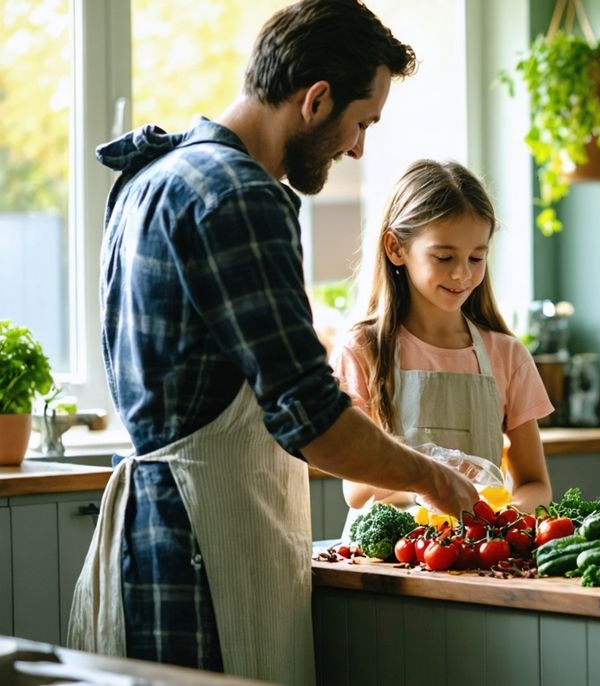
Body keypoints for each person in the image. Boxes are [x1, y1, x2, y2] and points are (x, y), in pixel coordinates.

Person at [67, 2, 479, 683]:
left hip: (149, 540)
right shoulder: (240, 196)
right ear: (316, 100)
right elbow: (311, 418)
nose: (357, 149)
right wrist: (434, 478)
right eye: (361, 123)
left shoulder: (153, 175)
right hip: (206, 548)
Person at [332, 159, 554, 532]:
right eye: (444, 257)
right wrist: (433, 473)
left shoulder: (506, 355)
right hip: (389, 562)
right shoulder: (363, 350)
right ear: (395, 248)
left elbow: (536, 484)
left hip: (478, 553)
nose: (462, 274)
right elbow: (355, 490)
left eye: (476, 257)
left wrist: (500, 517)